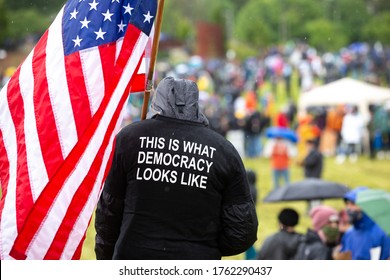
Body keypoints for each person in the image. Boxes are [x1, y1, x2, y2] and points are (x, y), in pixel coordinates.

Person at [94, 76, 258, 260]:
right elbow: (242, 231)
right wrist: (203, 248)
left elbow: (108, 213)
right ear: (196, 105)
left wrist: (106, 256)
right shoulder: (224, 151)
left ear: (158, 101)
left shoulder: (129, 139)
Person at [333, 187, 390, 260]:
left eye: (353, 204)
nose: (348, 208)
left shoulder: (383, 232)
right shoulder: (349, 234)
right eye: (347, 204)